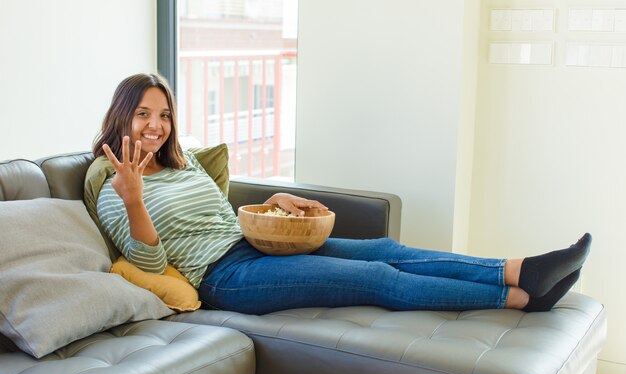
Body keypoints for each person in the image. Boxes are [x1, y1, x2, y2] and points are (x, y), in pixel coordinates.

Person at [88, 73, 592, 315]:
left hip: (254, 245)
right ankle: (522, 298)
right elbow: (150, 269)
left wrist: (272, 207)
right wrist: (133, 198)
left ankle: (522, 268)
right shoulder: (111, 186)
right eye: (144, 114)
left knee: (386, 251)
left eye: (165, 114)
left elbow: (223, 218)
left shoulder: (182, 160)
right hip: (228, 277)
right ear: (123, 116)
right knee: (376, 278)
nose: (156, 126)